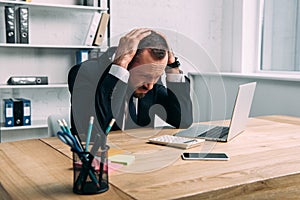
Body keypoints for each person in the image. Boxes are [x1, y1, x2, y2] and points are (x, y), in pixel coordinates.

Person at [68, 28, 193, 136]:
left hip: (138, 156)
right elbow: (92, 133)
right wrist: (119, 67)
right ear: (128, 61)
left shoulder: (151, 77)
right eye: (144, 75)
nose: (150, 86)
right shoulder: (84, 73)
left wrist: (173, 67)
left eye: (157, 77)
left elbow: (183, 121)